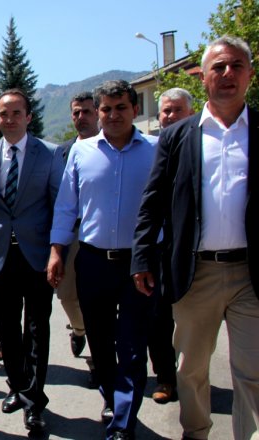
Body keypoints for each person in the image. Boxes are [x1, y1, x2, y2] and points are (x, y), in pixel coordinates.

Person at [132, 36, 259, 440]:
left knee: (252, 371)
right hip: (194, 273)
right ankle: (196, 432)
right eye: (218, 67)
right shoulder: (178, 136)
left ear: (250, 76)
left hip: (250, 277)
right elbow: (152, 202)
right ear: (202, 77)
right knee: (191, 368)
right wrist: (142, 258)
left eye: (236, 66)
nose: (227, 74)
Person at [48, 80, 157, 438]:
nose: (112, 115)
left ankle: (123, 421)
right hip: (93, 262)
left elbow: (164, 209)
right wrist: (57, 251)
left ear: (135, 110)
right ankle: (112, 397)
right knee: (100, 339)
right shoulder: (81, 153)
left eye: (120, 108)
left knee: (131, 344)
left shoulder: (155, 151)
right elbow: (67, 206)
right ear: (98, 112)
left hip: (137, 265)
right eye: (106, 109)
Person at [0, 89, 63, 432]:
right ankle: (17, 385)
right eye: (3, 114)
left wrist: (57, 251)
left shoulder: (50, 154)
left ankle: (33, 400)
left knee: (37, 329)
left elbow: (59, 208)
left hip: (37, 256)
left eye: (15, 113)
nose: (9, 120)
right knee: (6, 330)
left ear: (28, 117)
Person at [146, 87, 194, 406]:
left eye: (177, 110)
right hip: (157, 248)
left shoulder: (201, 147)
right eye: (165, 111)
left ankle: (191, 375)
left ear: (190, 113)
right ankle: (165, 377)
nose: (170, 116)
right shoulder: (147, 148)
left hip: (191, 248)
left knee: (190, 319)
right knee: (158, 317)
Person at [54, 92, 98, 363]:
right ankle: (79, 329)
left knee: (102, 301)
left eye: (87, 112)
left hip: (103, 236)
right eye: (76, 113)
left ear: (98, 113)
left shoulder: (110, 146)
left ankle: (100, 360)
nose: (81, 117)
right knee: (67, 296)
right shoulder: (62, 152)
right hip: (71, 234)